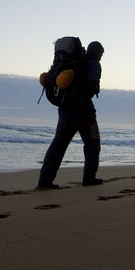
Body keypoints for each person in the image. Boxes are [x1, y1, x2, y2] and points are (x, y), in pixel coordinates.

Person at [37, 41, 104, 189]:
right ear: (98, 53)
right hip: (83, 109)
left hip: (65, 109)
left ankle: (45, 180)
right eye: (101, 53)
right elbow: (89, 85)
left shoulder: (75, 63)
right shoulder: (93, 64)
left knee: (58, 144)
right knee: (92, 143)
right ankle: (89, 178)